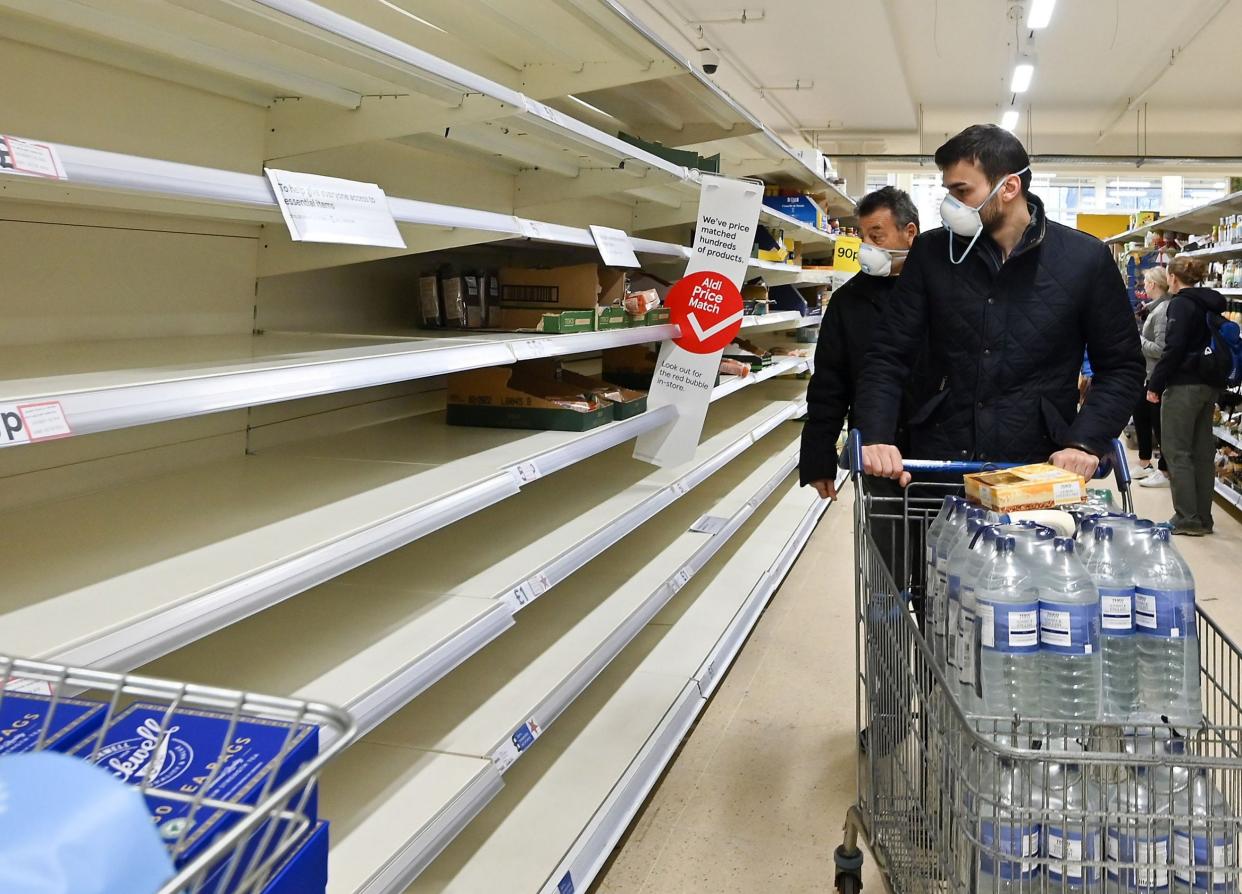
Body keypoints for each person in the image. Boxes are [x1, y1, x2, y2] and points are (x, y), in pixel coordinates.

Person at [853, 124, 1144, 485]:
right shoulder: (932, 253)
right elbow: (887, 354)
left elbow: (1122, 367)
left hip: (1038, 464)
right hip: (941, 459)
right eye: (949, 192)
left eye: (962, 191)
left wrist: (1085, 442)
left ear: (1008, 187)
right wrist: (877, 434)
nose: (951, 205)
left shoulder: (1086, 260)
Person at [799, 186, 929, 590]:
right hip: (877, 452)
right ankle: (887, 636)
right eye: (861, 236)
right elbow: (829, 384)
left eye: (877, 235)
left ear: (910, 233)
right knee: (886, 575)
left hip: (938, 451)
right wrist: (818, 457)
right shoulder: (848, 302)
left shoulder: (943, 292)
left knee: (938, 576)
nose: (866, 246)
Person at [1147, 255, 1225, 535]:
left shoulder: (1180, 304)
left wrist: (1155, 384)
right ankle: (1203, 517)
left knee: (1177, 450)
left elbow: (1173, 349)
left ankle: (1187, 518)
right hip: (1209, 385)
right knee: (1202, 452)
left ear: (1172, 278)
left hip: (1183, 386)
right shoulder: (1211, 302)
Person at [1134, 266, 1172, 485]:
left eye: (1146, 282)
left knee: (1158, 423)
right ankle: (1144, 462)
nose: (1144, 286)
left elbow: (1160, 348)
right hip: (1145, 373)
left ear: (1154, 284)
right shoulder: (1151, 308)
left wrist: (1138, 340)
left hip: (1156, 375)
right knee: (1141, 415)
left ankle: (1165, 472)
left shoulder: (1163, 310)